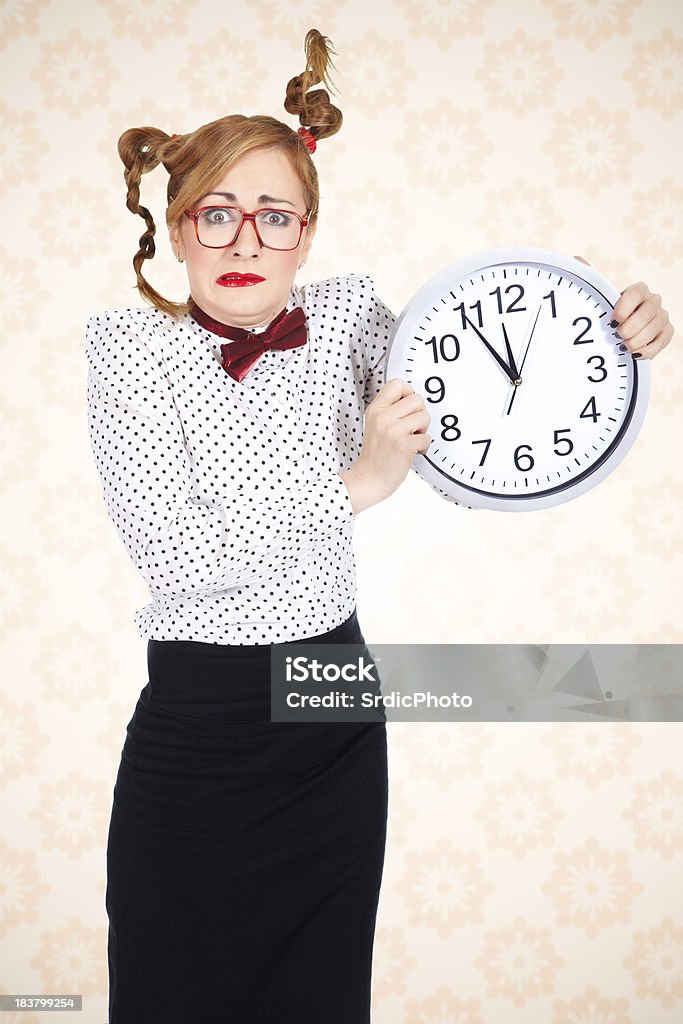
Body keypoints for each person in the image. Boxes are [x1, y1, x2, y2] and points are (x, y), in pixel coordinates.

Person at [85, 27, 673, 1024]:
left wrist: (606, 325)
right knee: (169, 984)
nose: (244, 242)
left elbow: (471, 426)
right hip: (201, 713)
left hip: (329, 705)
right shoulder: (130, 350)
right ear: (177, 228)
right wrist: (353, 483)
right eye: (215, 215)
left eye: (274, 217)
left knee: (320, 995)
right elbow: (177, 561)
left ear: (307, 232)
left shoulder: (349, 318)